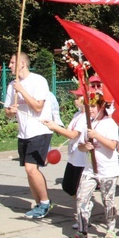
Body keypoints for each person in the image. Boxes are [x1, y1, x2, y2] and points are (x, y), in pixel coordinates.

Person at [4, 53, 54, 219]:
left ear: (22, 63)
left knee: (30, 168)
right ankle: (39, 203)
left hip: (39, 130)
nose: (9, 65)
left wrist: (22, 91)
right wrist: (10, 111)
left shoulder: (38, 81)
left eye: (12, 62)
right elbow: (8, 112)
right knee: (30, 171)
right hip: (23, 133)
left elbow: (38, 107)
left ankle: (45, 203)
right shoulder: (12, 85)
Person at [68, 91, 119, 238]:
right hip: (90, 169)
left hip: (107, 170)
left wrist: (97, 136)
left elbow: (112, 145)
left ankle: (111, 228)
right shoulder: (87, 123)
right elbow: (81, 146)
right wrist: (86, 146)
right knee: (81, 198)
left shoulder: (109, 123)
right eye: (88, 106)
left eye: (92, 106)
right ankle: (82, 231)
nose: (90, 109)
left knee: (108, 199)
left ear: (101, 106)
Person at [42, 91, 87, 228]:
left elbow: (73, 134)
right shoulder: (77, 115)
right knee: (68, 186)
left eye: (77, 97)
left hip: (82, 158)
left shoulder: (87, 117)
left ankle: (84, 216)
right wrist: (53, 125)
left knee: (78, 189)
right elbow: (67, 133)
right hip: (74, 157)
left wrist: (55, 127)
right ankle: (84, 206)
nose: (74, 100)